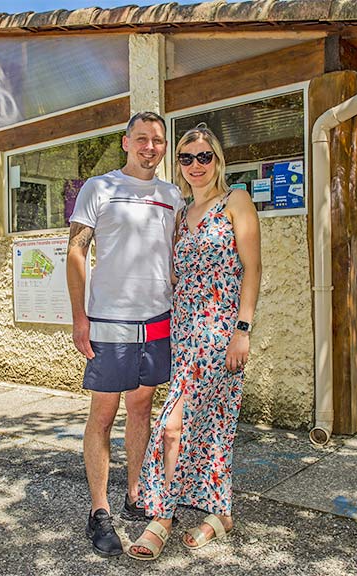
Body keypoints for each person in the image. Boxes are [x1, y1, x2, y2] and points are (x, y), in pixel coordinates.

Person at [127, 124, 262, 560]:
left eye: (204, 156)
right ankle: (219, 513)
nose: (196, 165)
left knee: (172, 426)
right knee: (212, 426)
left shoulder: (235, 200)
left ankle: (161, 518)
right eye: (186, 158)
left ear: (217, 160)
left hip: (221, 334)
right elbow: (172, 275)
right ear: (179, 165)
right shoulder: (181, 215)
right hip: (185, 334)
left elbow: (253, 269)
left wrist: (242, 331)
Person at [66, 111, 184, 557]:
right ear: (125, 141)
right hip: (109, 324)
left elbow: (174, 256)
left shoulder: (172, 195)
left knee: (141, 410)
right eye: (141, 138)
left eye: (157, 140)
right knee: (103, 414)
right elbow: (76, 252)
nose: (149, 146)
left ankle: (135, 495)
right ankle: (99, 511)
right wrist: (80, 317)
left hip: (157, 321)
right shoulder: (99, 188)